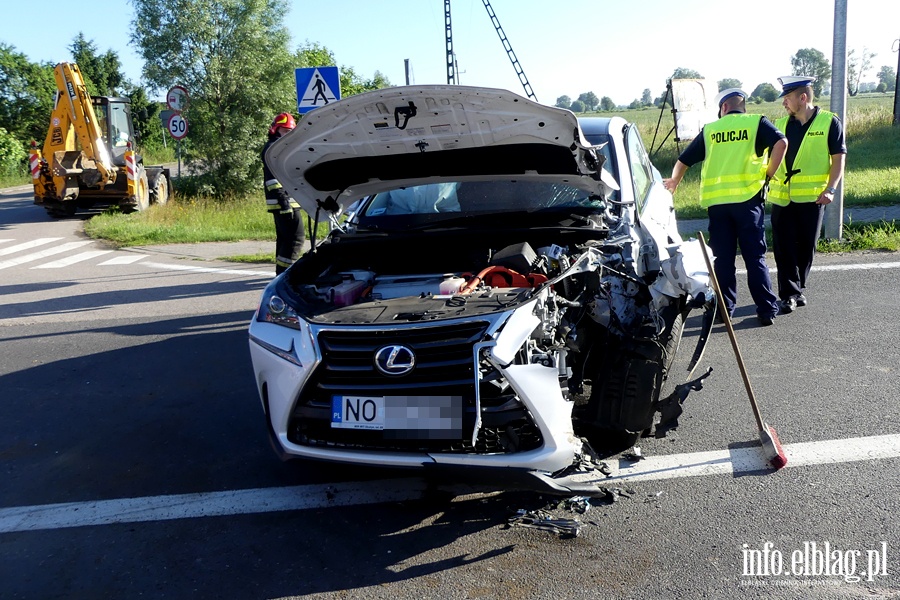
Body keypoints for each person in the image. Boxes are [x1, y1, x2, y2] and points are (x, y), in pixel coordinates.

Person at [663, 88, 786, 326]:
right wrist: (769, 173)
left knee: (723, 260)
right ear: (742, 106)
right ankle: (766, 309)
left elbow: (683, 161)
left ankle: (724, 310)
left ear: (724, 108)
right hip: (748, 201)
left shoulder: (711, 130)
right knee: (754, 258)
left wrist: (675, 182)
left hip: (718, 206)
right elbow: (782, 142)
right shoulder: (755, 123)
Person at [768, 76, 847, 313]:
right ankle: (789, 294)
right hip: (782, 197)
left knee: (806, 247)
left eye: (788, 98)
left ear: (802, 98)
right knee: (783, 248)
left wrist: (831, 189)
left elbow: (838, 158)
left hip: (813, 198)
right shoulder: (779, 125)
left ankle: (797, 287)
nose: (784, 104)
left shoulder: (829, 122)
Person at [262, 112, 305, 275]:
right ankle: (287, 275)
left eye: (290, 132)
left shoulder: (279, 148)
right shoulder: (274, 149)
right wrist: (284, 201)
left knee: (285, 240)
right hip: (284, 202)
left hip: (286, 201)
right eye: (285, 131)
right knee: (296, 239)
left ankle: (280, 274)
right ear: (276, 130)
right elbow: (273, 179)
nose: (288, 135)